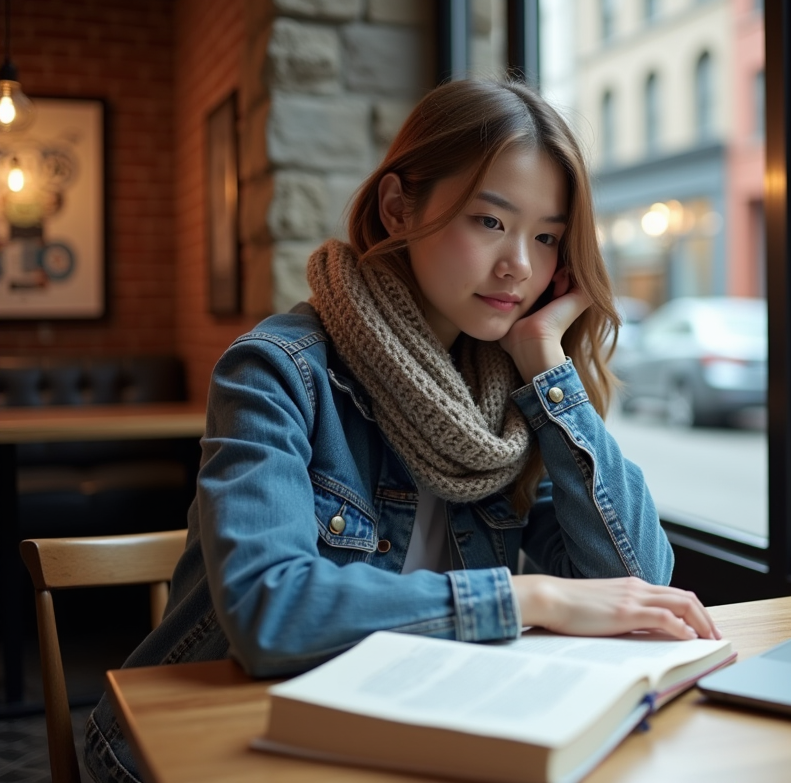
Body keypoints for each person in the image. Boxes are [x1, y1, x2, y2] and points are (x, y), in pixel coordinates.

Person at [83, 77, 719, 783]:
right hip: (202, 740)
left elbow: (637, 584)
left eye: (547, 238)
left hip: (399, 722)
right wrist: (530, 597)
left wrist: (546, 365)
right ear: (396, 208)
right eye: (490, 221)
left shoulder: (504, 394)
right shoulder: (278, 369)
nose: (520, 266)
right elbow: (273, 611)